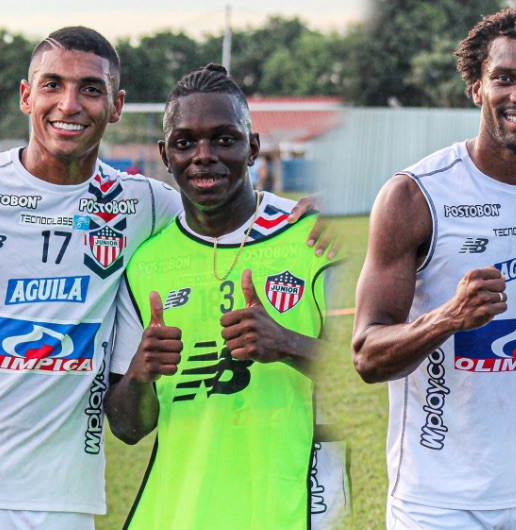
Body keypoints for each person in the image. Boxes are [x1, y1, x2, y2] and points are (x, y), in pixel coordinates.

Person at [0, 28, 323, 530]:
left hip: (57, 501)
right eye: (52, 85)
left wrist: (311, 214)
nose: (69, 104)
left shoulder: (144, 205)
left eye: (90, 89)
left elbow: (228, 206)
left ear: (116, 105)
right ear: (26, 95)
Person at [352, 8, 516, 529]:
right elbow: (366, 355)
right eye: (505, 78)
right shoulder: (415, 196)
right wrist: (447, 318)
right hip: (438, 501)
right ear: (475, 87)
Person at [104, 64, 344, 530]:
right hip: (180, 510)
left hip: (293, 505)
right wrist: (140, 374)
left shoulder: (313, 240)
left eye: (224, 139)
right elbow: (128, 428)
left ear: (252, 147)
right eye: (185, 142)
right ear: (165, 154)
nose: (203, 155)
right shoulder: (144, 264)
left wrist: (289, 344)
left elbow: (371, 371)